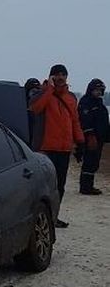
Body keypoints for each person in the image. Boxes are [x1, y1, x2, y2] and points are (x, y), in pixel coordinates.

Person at [29, 64, 85, 228]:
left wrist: (80, 142)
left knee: (59, 186)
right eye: (57, 74)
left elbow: (75, 121)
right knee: (43, 187)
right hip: (44, 148)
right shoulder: (41, 94)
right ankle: (38, 219)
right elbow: (35, 108)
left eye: (63, 74)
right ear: (51, 76)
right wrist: (50, 90)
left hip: (63, 149)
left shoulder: (71, 98)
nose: (60, 77)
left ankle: (53, 217)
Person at [78, 78, 109, 195]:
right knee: (89, 161)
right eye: (96, 90)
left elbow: (104, 121)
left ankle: (89, 185)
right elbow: (85, 120)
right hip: (90, 137)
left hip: (100, 137)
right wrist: (89, 134)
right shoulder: (86, 102)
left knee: (95, 161)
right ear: (91, 90)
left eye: (101, 90)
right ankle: (85, 187)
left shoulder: (99, 104)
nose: (99, 92)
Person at [24, 78, 42, 149]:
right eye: (33, 91)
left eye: (37, 91)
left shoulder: (42, 104)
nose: (34, 94)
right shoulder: (21, 104)